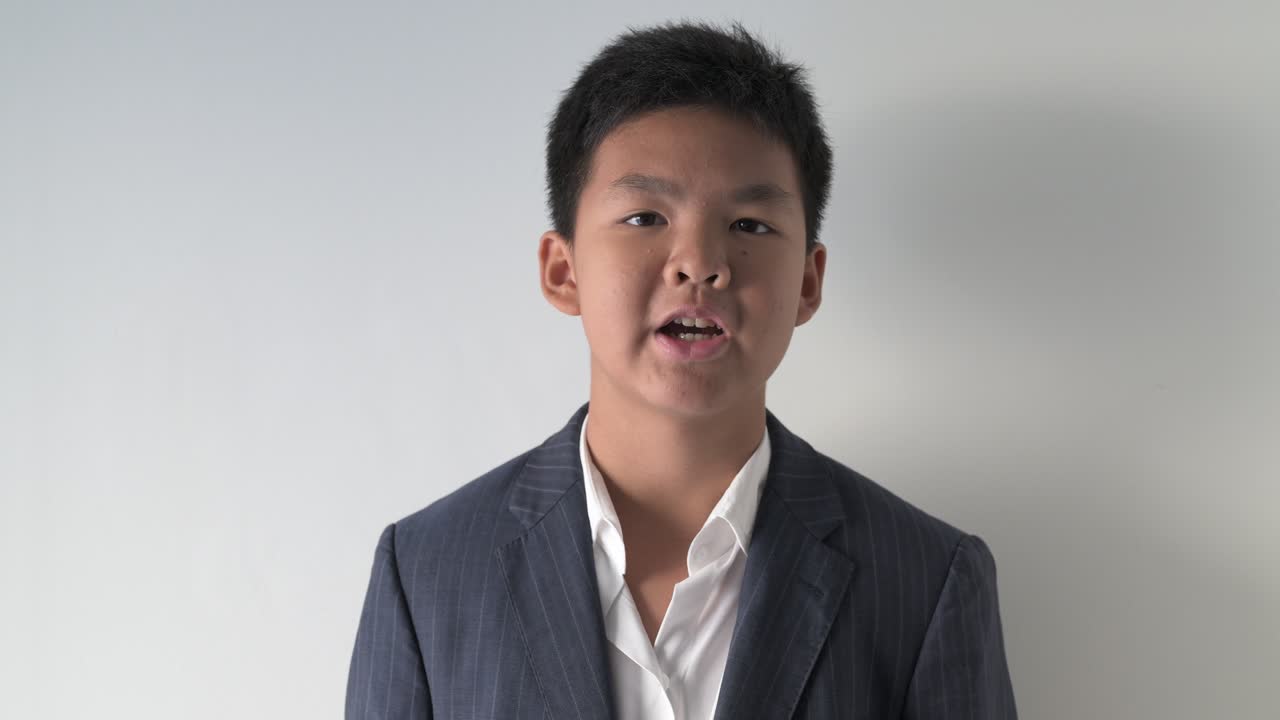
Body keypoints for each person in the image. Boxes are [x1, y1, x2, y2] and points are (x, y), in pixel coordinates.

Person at [345, 18, 1017, 720]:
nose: (700, 263)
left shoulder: (927, 580)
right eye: (645, 217)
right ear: (562, 270)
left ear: (809, 284)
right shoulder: (427, 573)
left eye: (750, 225)